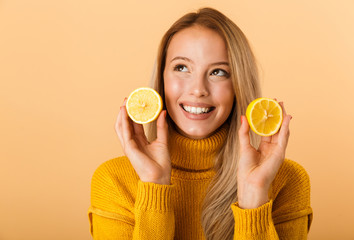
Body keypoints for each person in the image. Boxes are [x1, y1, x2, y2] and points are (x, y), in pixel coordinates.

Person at [88, 7, 313, 240]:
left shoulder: (287, 180)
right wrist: (154, 185)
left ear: (239, 84)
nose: (198, 90)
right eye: (182, 68)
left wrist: (255, 197)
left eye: (218, 72)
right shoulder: (114, 180)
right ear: (161, 79)